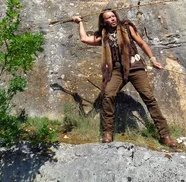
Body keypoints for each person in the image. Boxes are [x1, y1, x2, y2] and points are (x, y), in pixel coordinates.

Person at [72, 9, 177, 148]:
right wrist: (79, 23)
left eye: (113, 16)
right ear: (104, 21)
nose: (112, 19)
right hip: (116, 70)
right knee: (108, 95)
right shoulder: (103, 36)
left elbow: (142, 44)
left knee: (149, 97)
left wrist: (152, 59)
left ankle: (165, 136)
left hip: (135, 66)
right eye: (109, 18)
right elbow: (84, 39)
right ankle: (108, 133)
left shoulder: (127, 28)